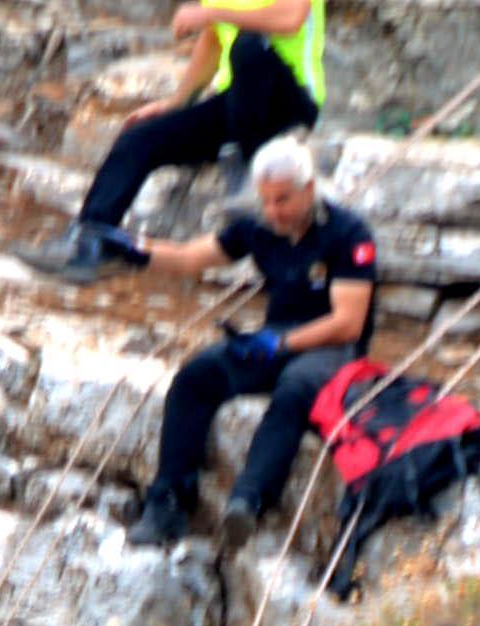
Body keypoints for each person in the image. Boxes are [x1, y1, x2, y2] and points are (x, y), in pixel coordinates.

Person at [95, 144, 383, 549]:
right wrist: (133, 249)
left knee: (295, 390)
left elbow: (348, 324)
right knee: (196, 377)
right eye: (266, 201)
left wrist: (278, 343)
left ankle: (248, 499)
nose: (273, 212)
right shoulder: (258, 226)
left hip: (332, 347)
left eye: (283, 200)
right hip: (277, 336)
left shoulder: (348, 234)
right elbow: (189, 257)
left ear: (309, 189)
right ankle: (168, 502)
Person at [41, 0, 331, 276]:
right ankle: (90, 241)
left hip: (291, 102)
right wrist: (176, 102)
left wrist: (212, 14)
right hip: (237, 104)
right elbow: (213, 40)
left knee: (249, 45)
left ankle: (244, 164)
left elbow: (290, 18)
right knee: (140, 138)